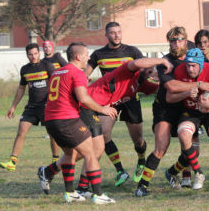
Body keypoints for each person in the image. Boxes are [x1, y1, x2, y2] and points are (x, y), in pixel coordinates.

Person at [134, 27, 209, 197]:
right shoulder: (166, 62)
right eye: (173, 40)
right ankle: (142, 186)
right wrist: (197, 85)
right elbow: (171, 87)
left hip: (187, 108)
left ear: (186, 40)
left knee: (192, 151)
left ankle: (171, 172)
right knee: (161, 147)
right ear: (169, 42)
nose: (177, 43)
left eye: (180, 40)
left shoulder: (193, 53)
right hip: (165, 108)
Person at [75, 57, 171, 197]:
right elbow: (137, 63)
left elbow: (163, 91)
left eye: (153, 70)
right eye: (149, 68)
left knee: (95, 147)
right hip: (87, 106)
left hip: (97, 108)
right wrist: (162, 61)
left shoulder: (142, 83)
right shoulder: (126, 71)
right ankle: (78, 185)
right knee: (92, 147)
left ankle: (72, 182)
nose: (152, 70)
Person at [38, 42, 116, 205]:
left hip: (51, 121)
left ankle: (70, 193)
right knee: (91, 154)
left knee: (69, 154)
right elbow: (83, 98)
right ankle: (98, 195)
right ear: (78, 56)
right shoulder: (77, 72)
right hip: (67, 119)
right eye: (87, 53)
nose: (89, 57)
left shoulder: (57, 72)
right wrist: (102, 109)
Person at [84, 21, 146, 186]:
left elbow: (145, 67)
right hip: (109, 100)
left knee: (138, 140)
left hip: (130, 98)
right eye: (112, 32)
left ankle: (141, 161)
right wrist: (84, 79)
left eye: (119, 31)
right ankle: (120, 170)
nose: (116, 35)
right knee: (103, 134)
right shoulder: (98, 54)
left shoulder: (132, 51)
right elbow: (85, 73)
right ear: (106, 35)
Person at [166, 48, 209, 194]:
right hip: (191, 111)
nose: (190, 69)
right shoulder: (179, 71)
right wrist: (187, 92)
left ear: (201, 65)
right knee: (183, 134)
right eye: (188, 65)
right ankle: (199, 173)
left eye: (194, 66)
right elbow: (169, 97)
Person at [0, 43, 56, 171]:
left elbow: (57, 83)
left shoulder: (47, 66)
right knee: (21, 131)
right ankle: (12, 162)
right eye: (30, 54)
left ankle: (56, 161)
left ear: (39, 53)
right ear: (27, 55)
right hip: (32, 107)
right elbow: (21, 89)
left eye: (35, 53)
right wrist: (13, 106)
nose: (33, 56)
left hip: (47, 106)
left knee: (53, 134)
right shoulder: (25, 69)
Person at [42, 40, 67, 161]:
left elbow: (68, 68)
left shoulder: (58, 58)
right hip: (50, 93)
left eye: (48, 46)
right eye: (44, 47)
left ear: (53, 48)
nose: (46, 48)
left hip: (61, 91)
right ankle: (56, 156)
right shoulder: (42, 62)